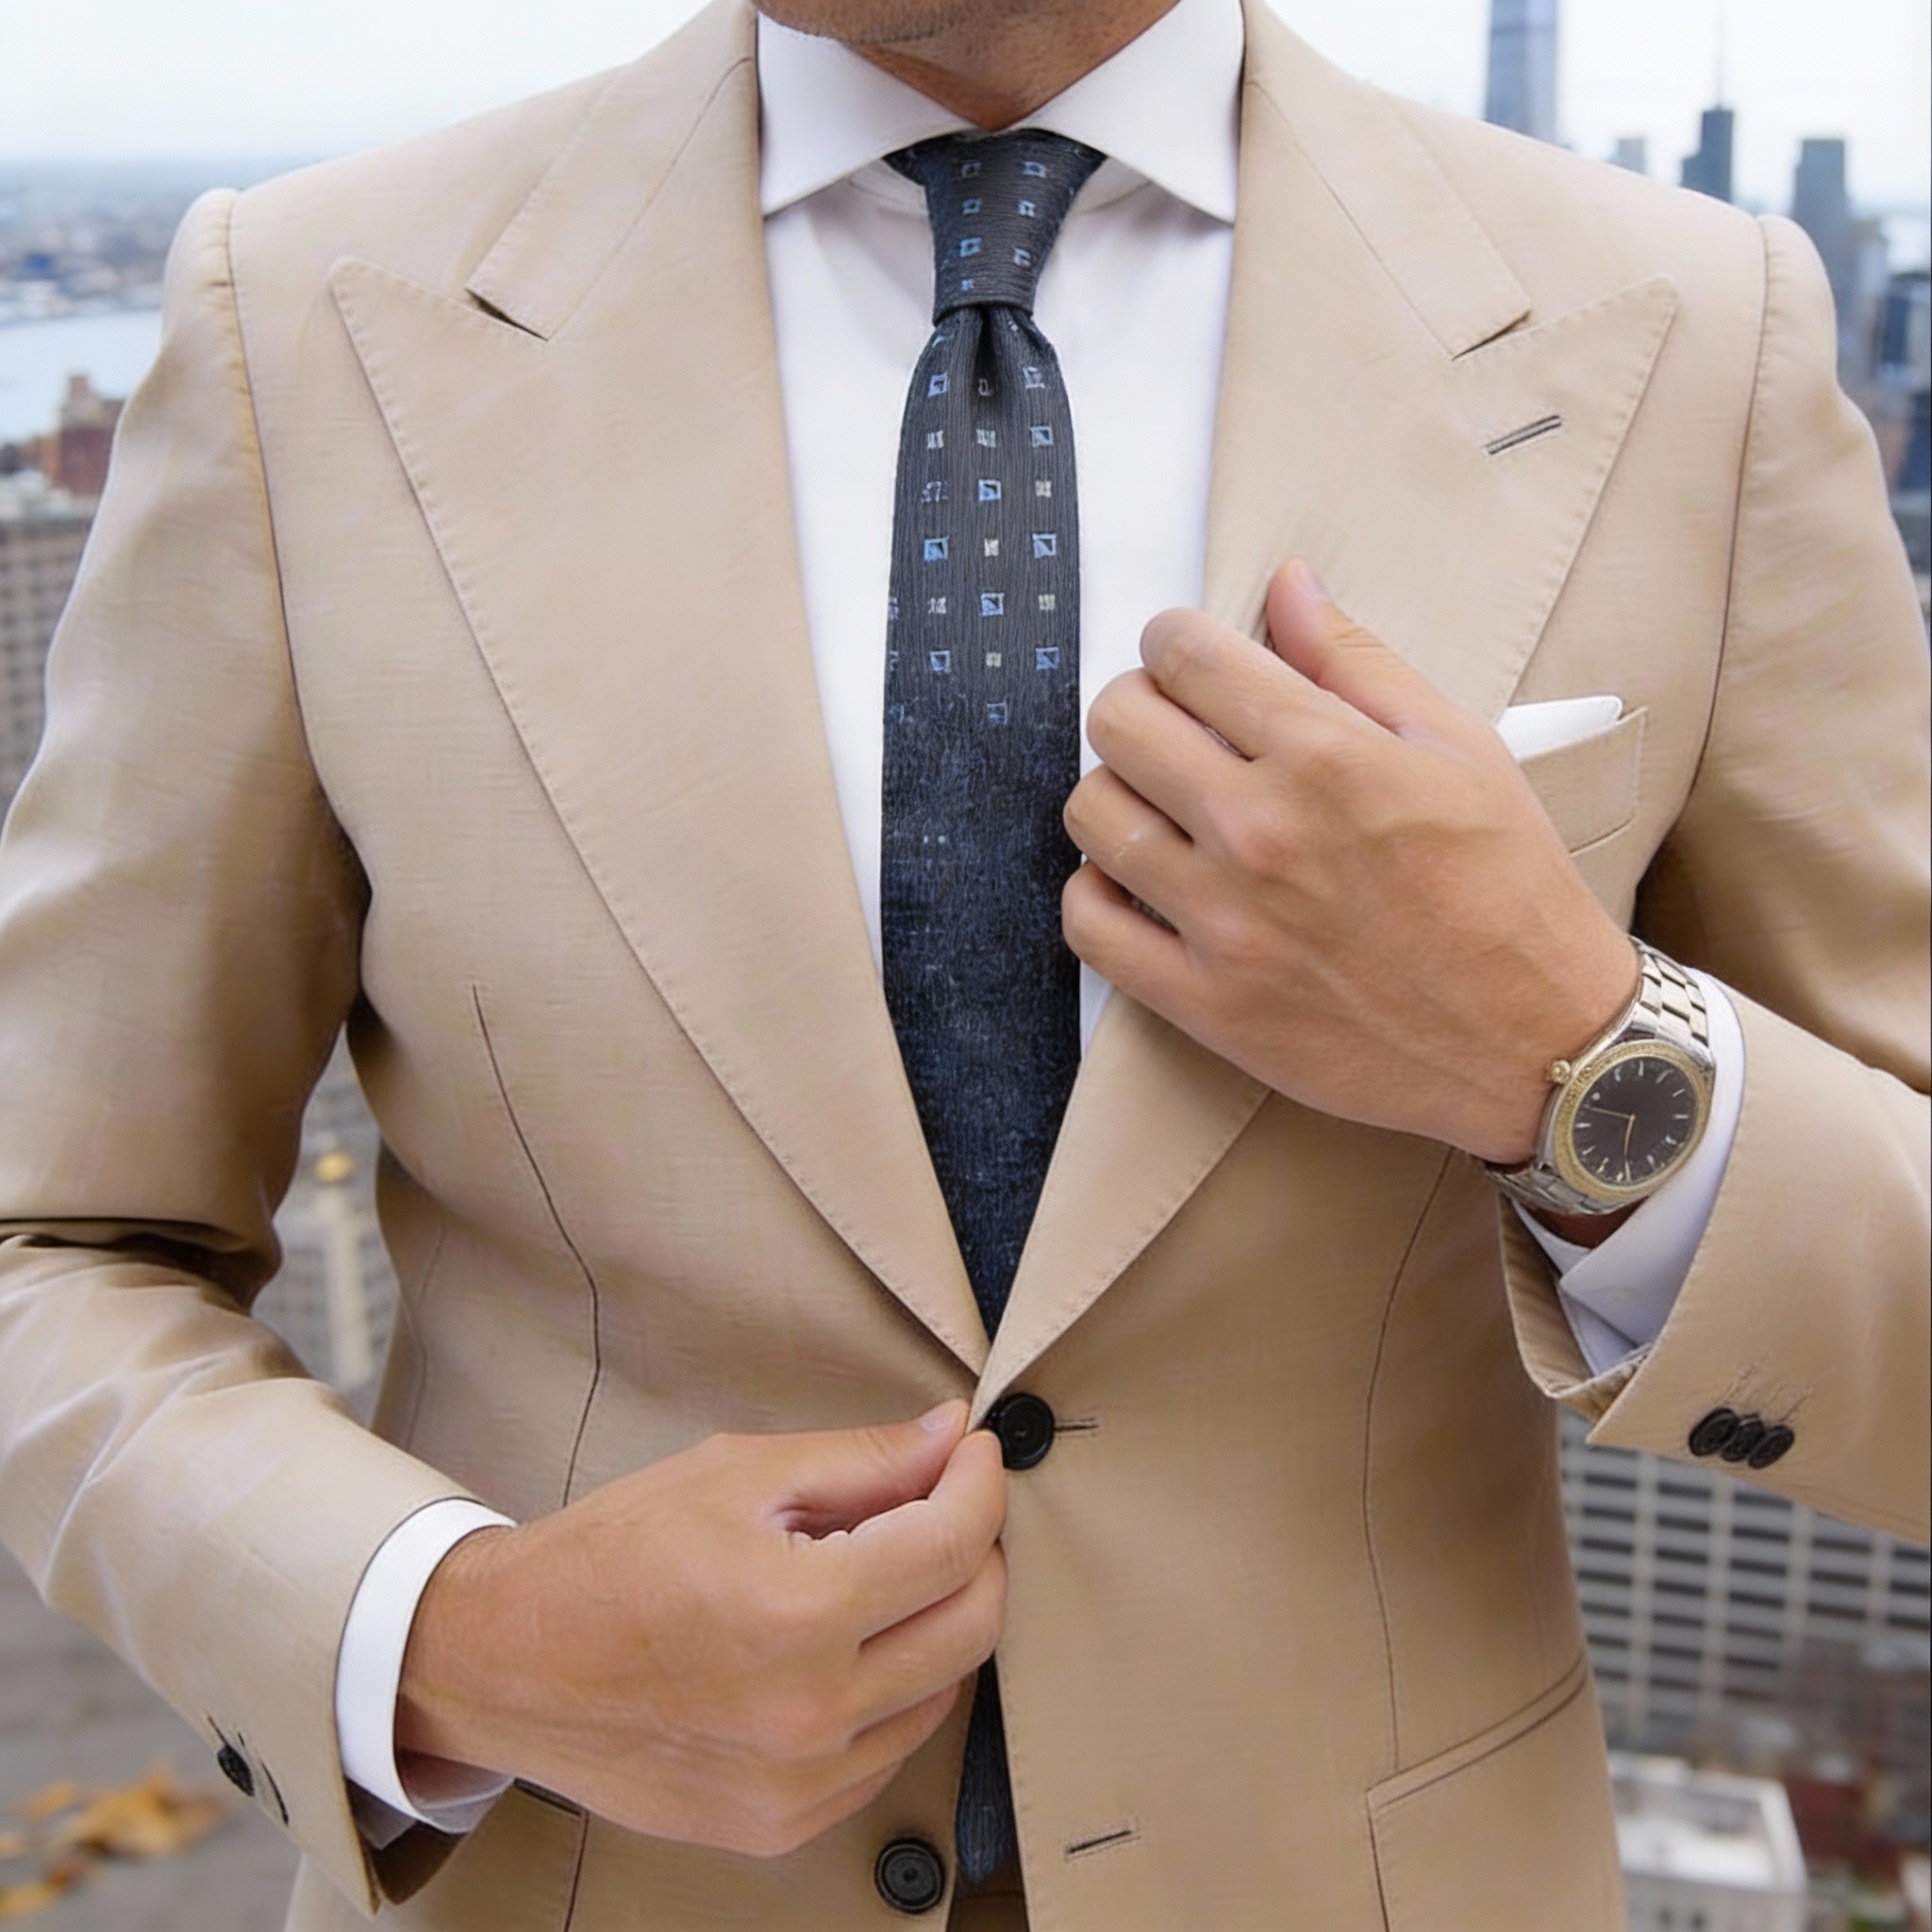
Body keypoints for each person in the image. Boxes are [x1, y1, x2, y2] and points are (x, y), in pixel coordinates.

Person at [0, 0, 1924, 1924]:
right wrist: (447, 1632)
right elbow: (54, 1239)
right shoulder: (305, 317)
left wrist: (1571, 1060)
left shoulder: (1691, 335)